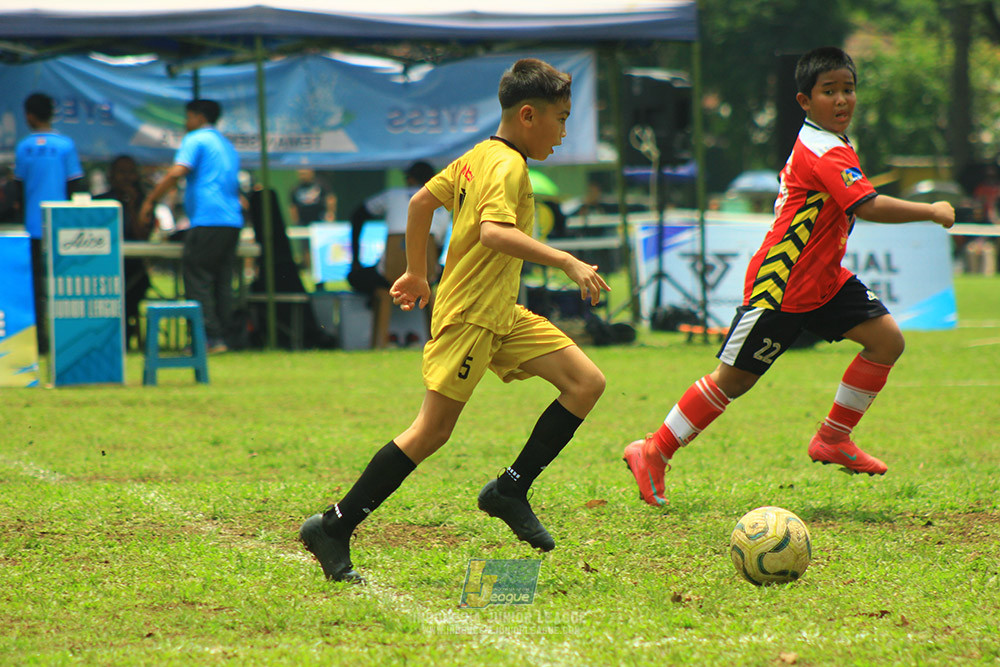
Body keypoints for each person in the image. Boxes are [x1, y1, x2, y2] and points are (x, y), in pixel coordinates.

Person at [300, 58, 610, 582]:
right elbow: (492, 233)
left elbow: (421, 203)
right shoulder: (507, 166)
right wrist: (565, 259)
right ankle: (334, 525)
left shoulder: (479, 156)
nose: (563, 131)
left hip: (500, 312)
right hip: (470, 314)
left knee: (585, 382)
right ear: (528, 115)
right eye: (561, 119)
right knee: (431, 431)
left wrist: (418, 274)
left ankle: (509, 489)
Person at [623, 46, 955, 506]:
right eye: (829, 91)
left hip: (825, 279)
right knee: (732, 380)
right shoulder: (825, 151)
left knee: (887, 341)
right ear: (805, 101)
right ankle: (653, 449)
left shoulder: (832, 143)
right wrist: (932, 210)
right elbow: (867, 205)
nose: (841, 100)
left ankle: (833, 439)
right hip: (783, 285)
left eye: (848, 90)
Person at [140, 99, 243, 354]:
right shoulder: (226, 144)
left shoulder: (196, 139)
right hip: (231, 220)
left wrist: (151, 200)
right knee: (221, 280)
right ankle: (223, 337)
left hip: (208, 218)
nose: (186, 124)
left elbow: (178, 172)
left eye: (187, 118)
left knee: (197, 277)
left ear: (197, 117)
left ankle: (206, 338)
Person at [348, 161, 450, 348]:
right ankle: (435, 339)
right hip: (427, 275)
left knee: (355, 276)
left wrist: (356, 259)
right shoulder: (442, 203)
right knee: (448, 277)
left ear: (409, 179)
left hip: (388, 274)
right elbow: (438, 248)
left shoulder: (392, 195)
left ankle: (382, 331)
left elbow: (357, 215)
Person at [13, 92, 85, 355]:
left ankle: (40, 340)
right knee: (65, 283)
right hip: (62, 226)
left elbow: (18, 190)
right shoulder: (66, 145)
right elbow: (75, 184)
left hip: (33, 227)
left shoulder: (23, 147)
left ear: (29, 115)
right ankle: (67, 338)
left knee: (36, 285)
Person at [94, 155, 154, 350]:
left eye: (130, 172)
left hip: (133, 270)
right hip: (103, 269)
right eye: (121, 172)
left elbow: (143, 236)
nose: (126, 177)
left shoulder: (145, 203)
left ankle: (124, 338)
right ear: (111, 175)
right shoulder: (99, 202)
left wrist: (131, 206)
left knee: (133, 289)